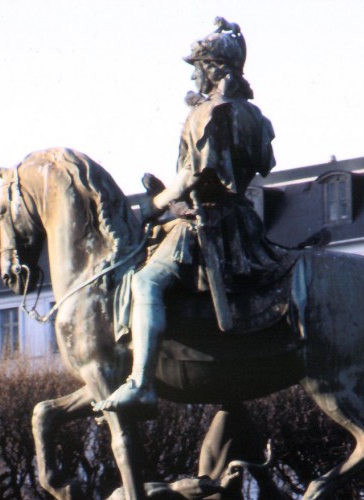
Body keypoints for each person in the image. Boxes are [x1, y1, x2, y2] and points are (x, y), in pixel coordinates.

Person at [94, 17, 281, 418]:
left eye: (197, 67)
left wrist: (155, 205)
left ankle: (141, 383)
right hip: (243, 224)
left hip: (204, 228)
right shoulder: (254, 115)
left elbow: (192, 176)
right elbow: (258, 166)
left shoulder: (206, 113)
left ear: (211, 68)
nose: (194, 75)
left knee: (144, 282)